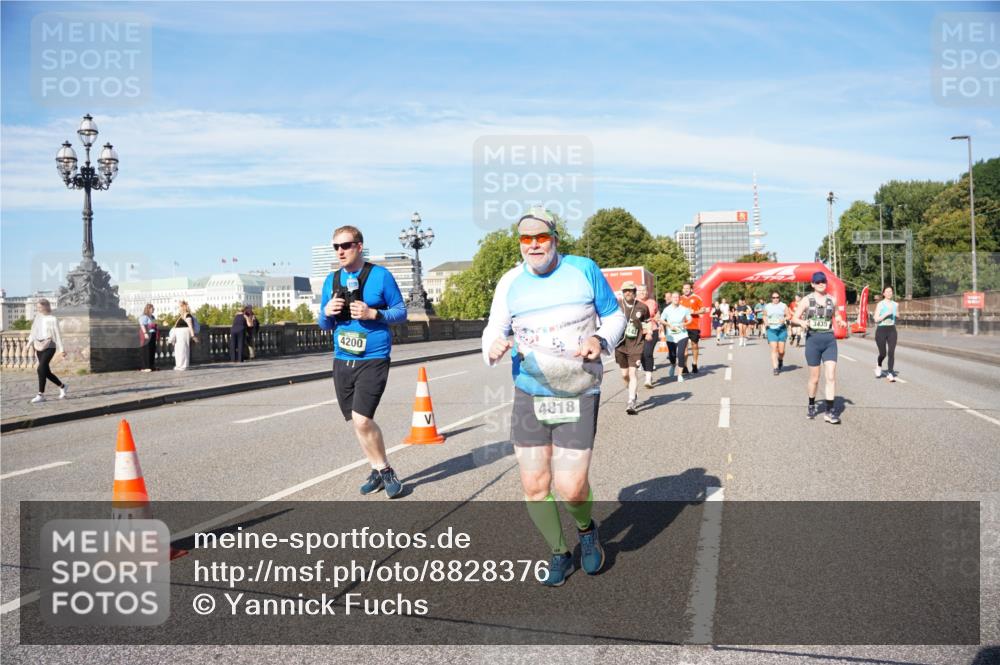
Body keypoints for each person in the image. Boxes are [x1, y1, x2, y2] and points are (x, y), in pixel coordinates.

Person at [482, 207, 625, 587]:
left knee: (571, 487)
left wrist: (599, 339)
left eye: (540, 237)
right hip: (530, 391)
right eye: (525, 239)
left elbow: (615, 317)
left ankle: (586, 528)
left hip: (578, 389)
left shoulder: (583, 269)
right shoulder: (510, 282)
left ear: (555, 239)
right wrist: (492, 346)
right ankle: (559, 552)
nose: (533, 245)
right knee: (534, 484)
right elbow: (494, 328)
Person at [320, 224, 408, 498]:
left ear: (359, 246)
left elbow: (401, 312)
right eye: (336, 246)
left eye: (345, 245)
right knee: (356, 420)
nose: (340, 251)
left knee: (362, 419)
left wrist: (374, 314)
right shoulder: (331, 280)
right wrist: (326, 312)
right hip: (342, 359)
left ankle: (386, 471)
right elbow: (324, 324)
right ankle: (376, 469)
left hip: (373, 357)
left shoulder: (380, 276)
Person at [791, 272, 847, 424]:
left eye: (823, 281)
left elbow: (836, 315)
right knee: (814, 379)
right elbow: (794, 318)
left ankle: (829, 411)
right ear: (813, 284)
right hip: (813, 341)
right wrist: (802, 323)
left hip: (829, 340)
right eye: (818, 282)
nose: (821, 284)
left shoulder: (832, 300)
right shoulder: (807, 300)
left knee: (831, 376)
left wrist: (840, 321)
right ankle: (811, 404)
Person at [616, 281, 651, 415]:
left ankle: (631, 401)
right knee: (624, 375)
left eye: (630, 290)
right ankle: (632, 392)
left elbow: (647, 322)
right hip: (620, 344)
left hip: (636, 344)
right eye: (625, 291)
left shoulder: (642, 307)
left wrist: (648, 332)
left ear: (635, 292)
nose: (628, 293)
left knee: (632, 373)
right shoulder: (617, 305)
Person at [27, 299, 67, 403]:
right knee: (45, 371)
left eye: (40, 307)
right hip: (39, 345)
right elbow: (33, 332)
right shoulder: (37, 318)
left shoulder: (53, 319)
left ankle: (41, 394)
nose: (38, 309)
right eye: (37, 307)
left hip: (50, 345)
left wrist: (62, 350)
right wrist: (28, 344)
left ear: (46, 307)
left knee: (40, 369)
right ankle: (62, 386)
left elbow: (58, 334)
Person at [660, 291, 692, 382]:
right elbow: (661, 320)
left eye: (677, 297)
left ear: (679, 298)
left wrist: (684, 324)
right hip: (671, 335)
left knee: (681, 354)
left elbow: (690, 319)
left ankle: (680, 375)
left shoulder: (684, 309)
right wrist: (669, 325)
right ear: (671, 299)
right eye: (674, 297)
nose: (676, 299)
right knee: (672, 355)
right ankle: (673, 365)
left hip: (682, 334)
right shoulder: (667, 309)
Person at [678, 283, 706, 373]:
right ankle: (684, 366)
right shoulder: (679, 299)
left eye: (687, 288)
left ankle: (694, 363)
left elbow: (703, 310)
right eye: (684, 288)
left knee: (694, 345)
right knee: (684, 347)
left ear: (691, 289)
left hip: (694, 326)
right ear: (682, 289)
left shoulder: (696, 298)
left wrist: (694, 312)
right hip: (683, 326)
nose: (686, 290)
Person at [873, 286, 898, 382]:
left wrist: (897, 315)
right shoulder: (880, 304)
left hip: (892, 329)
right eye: (887, 291)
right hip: (881, 330)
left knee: (891, 352)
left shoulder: (895, 304)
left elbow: (898, 315)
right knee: (883, 353)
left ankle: (890, 373)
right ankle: (879, 365)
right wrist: (886, 314)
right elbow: (876, 319)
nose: (889, 293)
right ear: (883, 293)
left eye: (890, 291)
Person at [636, 284, 659, 389]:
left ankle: (648, 379)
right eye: (640, 290)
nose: (642, 292)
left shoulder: (652, 302)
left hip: (652, 330)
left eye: (644, 290)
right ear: (636, 292)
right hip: (638, 333)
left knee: (648, 353)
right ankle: (647, 371)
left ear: (647, 292)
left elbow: (657, 313)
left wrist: (657, 318)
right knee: (641, 355)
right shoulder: (634, 303)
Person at [763, 291, 790, 375]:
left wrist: (784, 319)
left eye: (777, 297)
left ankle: (780, 360)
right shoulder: (767, 306)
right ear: (771, 298)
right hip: (771, 330)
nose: (775, 299)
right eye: (774, 297)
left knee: (781, 351)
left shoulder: (783, 305)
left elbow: (788, 315)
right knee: (774, 348)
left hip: (782, 329)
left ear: (779, 298)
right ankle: (775, 368)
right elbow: (764, 315)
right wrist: (766, 322)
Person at [169, 301, 196, 370]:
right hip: (179, 334)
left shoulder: (188, 315)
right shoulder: (181, 316)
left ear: (183, 307)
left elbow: (190, 326)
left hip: (183, 334)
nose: (178, 308)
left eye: (179, 307)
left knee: (183, 349)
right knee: (178, 350)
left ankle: (184, 365)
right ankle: (179, 365)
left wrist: (193, 336)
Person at [138, 303, 158, 372]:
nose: (153, 309)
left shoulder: (152, 317)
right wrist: (145, 333)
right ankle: (145, 367)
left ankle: (151, 365)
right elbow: (142, 325)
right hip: (147, 334)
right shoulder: (144, 316)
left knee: (152, 350)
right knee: (146, 350)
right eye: (152, 308)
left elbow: (154, 325)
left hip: (152, 334)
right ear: (148, 309)